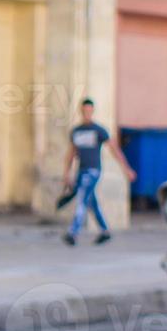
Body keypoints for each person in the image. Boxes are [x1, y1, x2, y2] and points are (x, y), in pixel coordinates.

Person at [61, 98, 136, 246]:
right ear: (81, 111)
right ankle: (104, 231)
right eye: (84, 110)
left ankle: (72, 232)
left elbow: (114, 150)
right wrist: (66, 173)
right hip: (81, 170)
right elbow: (71, 154)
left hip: (93, 170)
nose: (87, 113)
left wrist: (126, 169)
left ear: (92, 111)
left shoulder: (99, 131)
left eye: (89, 110)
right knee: (91, 202)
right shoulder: (76, 131)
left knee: (82, 198)